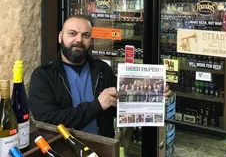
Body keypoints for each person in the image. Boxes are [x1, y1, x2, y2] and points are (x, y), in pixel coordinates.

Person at [29, 15, 172, 138]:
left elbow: (122, 104)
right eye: (72, 33)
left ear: (91, 39)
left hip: (102, 147)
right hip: (63, 148)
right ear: (60, 36)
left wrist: (153, 96)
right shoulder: (43, 75)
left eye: (85, 35)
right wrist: (97, 105)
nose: (79, 39)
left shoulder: (102, 69)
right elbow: (46, 121)